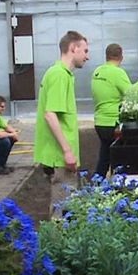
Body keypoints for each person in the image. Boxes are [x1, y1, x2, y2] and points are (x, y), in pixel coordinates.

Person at [35, 30, 89, 214]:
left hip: (58, 155)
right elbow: (50, 115)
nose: (87, 57)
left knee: (66, 207)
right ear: (73, 48)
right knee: (62, 210)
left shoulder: (60, 73)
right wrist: (67, 151)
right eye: (85, 51)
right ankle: (57, 241)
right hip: (60, 157)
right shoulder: (59, 75)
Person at [90, 43, 132, 177]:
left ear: (106, 56)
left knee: (104, 158)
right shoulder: (118, 73)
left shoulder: (97, 72)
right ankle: (116, 189)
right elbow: (132, 94)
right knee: (119, 159)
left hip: (99, 122)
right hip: (113, 123)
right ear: (121, 57)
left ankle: (97, 186)